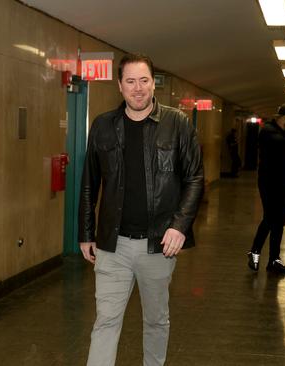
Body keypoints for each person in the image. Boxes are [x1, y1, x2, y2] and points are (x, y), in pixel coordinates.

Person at [78, 53, 204, 366]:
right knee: (106, 320)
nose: (138, 88)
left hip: (158, 245)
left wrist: (180, 225)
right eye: (131, 81)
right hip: (113, 245)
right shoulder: (103, 126)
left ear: (153, 84)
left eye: (144, 81)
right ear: (120, 86)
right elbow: (89, 183)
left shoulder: (177, 123)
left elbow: (195, 178)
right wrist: (85, 233)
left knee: (156, 321)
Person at [247, 103, 285, 274]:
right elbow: (283, 146)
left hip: (283, 181)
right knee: (270, 218)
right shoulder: (268, 130)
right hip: (269, 182)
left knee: (280, 221)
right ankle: (254, 251)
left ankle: (274, 259)